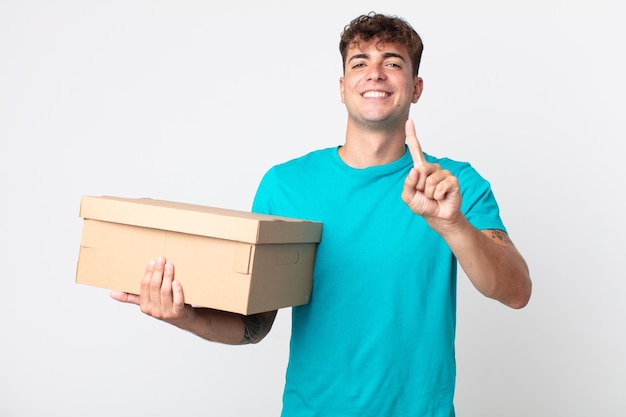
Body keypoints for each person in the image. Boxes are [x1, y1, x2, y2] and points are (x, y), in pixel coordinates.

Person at [111, 12, 532, 416]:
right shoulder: (285, 186)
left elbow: (516, 292)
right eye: (360, 62)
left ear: (416, 87)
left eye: (393, 63)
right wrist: (186, 315)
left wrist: (452, 225)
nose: (375, 73)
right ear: (343, 84)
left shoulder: (453, 186)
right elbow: (256, 323)